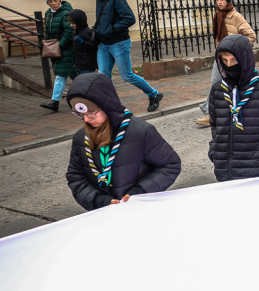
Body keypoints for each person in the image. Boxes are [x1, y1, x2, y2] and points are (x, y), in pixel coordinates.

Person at [65, 73, 180, 210]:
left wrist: (140, 193)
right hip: (104, 213)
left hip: (142, 209)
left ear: (106, 105)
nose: (86, 120)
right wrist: (98, 200)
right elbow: (75, 176)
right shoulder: (81, 139)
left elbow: (170, 165)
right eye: (81, 115)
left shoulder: (140, 132)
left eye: (92, 113)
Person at [207, 35, 259, 181]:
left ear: (244, 60)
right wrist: (215, 150)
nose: (229, 65)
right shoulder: (217, 90)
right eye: (225, 61)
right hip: (225, 171)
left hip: (256, 170)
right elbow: (214, 125)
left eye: (234, 60)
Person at [83, 0, 163, 110]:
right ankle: (113, 104)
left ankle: (153, 94)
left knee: (127, 75)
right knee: (103, 77)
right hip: (103, 44)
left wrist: (111, 29)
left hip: (118, 43)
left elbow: (129, 19)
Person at [196, 0, 257, 126]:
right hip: (221, 58)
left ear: (228, 0)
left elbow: (251, 36)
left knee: (236, 87)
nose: (219, 2)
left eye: (222, 0)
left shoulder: (236, 17)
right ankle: (211, 114)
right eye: (217, 0)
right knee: (216, 85)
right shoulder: (218, 15)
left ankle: (222, 113)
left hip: (234, 60)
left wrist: (237, 50)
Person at [40, 0, 77, 112]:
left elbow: (69, 31)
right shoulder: (48, 13)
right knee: (71, 75)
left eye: (55, 0)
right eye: (50, 1)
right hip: (55, 49)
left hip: (65, 48)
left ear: (59, 0)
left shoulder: (66, 13)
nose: (53, 3)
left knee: (62, 76)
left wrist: (59, 45)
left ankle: (55, 102)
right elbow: (49, 31)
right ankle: (55, 102)